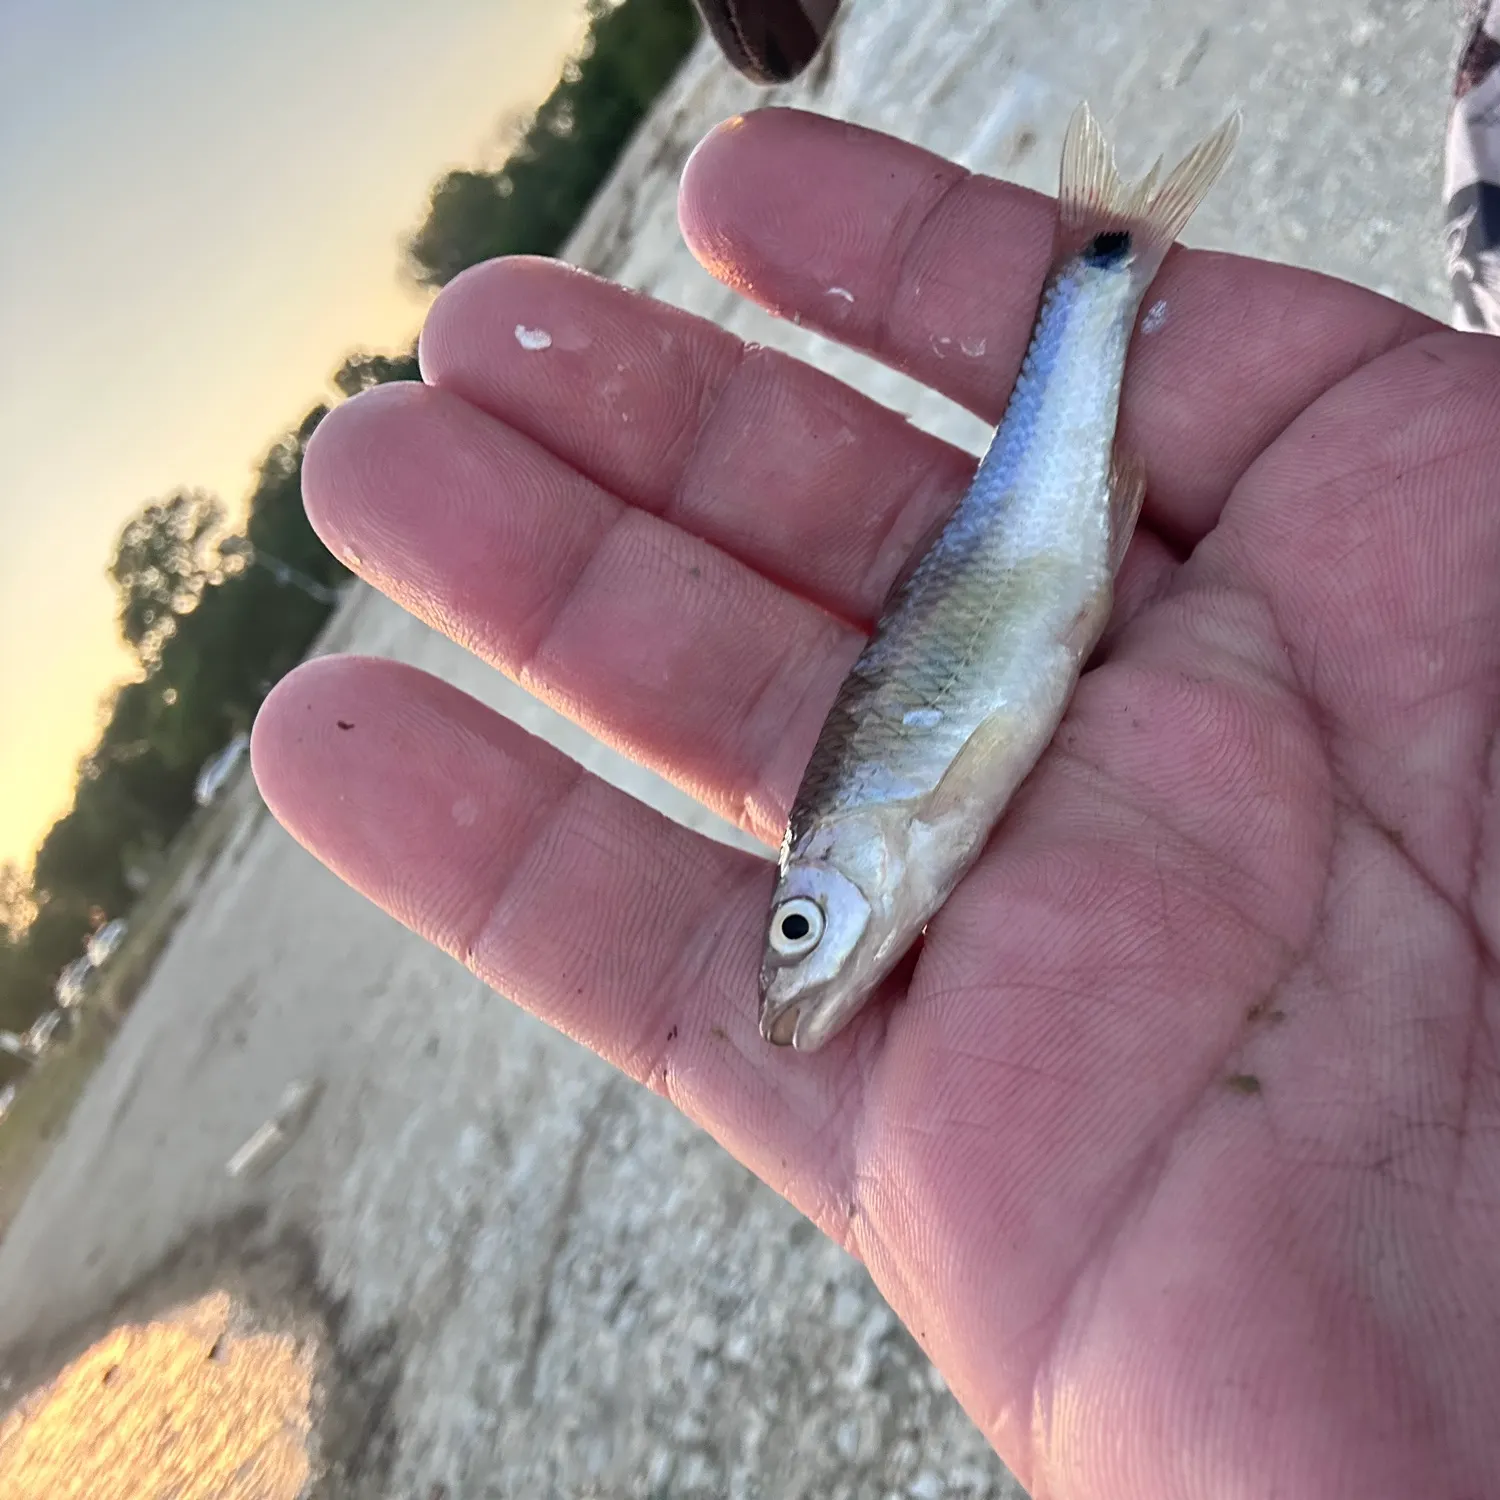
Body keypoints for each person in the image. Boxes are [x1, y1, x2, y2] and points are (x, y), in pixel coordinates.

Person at [250, 74, 1499, 1500]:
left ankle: (1099, 273)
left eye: (799, 933)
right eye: (800, 942)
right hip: (1032, 577)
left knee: (1063, 392)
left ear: (830, 880)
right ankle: (1098, 269)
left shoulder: (872, 831)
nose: (808, 970)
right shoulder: (883, 860)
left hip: (1022, 564)